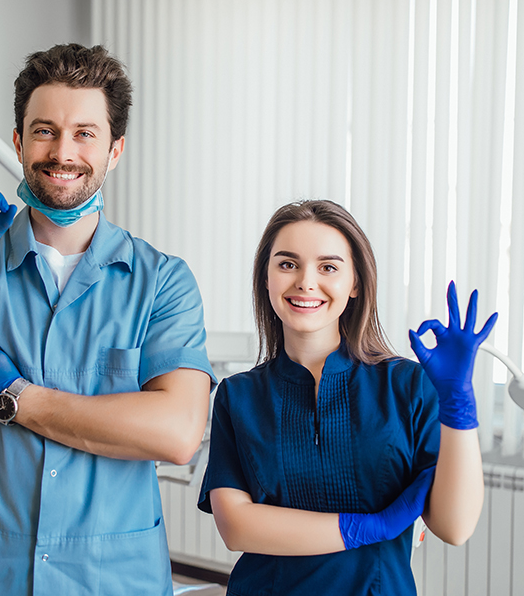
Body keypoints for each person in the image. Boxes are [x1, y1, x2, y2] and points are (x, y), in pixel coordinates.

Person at [0, 44, 215, 595]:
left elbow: (177, 433)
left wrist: (11, 397)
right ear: (18, 142)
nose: (63, 152)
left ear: (115, 150)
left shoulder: (162, 282)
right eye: (44, 130)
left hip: (108, 578)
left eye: (85, 133)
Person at [198, 200, 497, 595]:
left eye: (328, 267)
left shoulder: (407, 386)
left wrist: (459, 405)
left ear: (354, 283)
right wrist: (365, 528)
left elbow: (454, 527)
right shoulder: (238, 396)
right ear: (266, 278)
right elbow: (236, 527)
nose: (306, 282)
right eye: (287, 264)